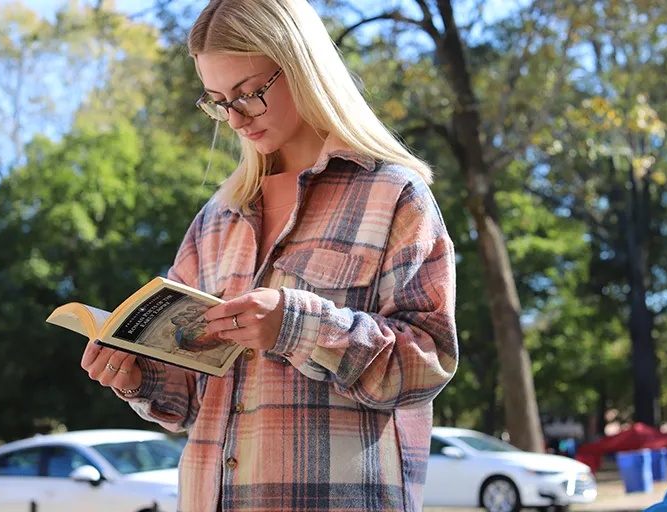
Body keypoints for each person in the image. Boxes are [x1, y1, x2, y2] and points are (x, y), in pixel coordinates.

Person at [80, 0, 458, 510]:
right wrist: (139, 375)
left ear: (302, 66)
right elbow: (197, 400)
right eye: (216, 101)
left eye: (248, 94)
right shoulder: (215, 221)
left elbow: (428, 364)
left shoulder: (393, 195)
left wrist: (297, 326)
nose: (234, 119)